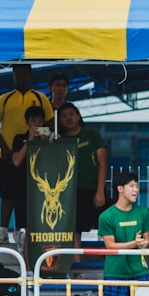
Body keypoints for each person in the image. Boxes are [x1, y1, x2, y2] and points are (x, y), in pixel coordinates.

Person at [0, 64, 53, 245]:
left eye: (24, 73)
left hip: (36, 156)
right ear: (13, 75)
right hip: (8, 155)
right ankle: (3, 231)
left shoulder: (40, 98)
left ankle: (29, 231)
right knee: (7, 194)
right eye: (18, 73)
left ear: (30, 74)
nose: (21, 76)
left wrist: (42, 139)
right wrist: (5, 148)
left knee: (32, 195)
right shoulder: (5, 98)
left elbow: (50, 124)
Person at [58, 103, 108, 249]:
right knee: (75, 231)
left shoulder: (92, 134)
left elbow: (102, 163)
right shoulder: (59, 141)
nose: (68, 118)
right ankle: (77, 264)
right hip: (73, 193)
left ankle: (110, 260)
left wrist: (100, 191)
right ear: (59, 121)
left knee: (108, 227)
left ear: (78, 116)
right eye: (64, 116)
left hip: (94, 189)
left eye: (71, 114)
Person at [10, 105, 52, 258]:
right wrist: (29, 141)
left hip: (45, 189)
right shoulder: (19, 139)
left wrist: (46, 141)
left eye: (40, 121)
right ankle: (27, 265)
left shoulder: (51, 138)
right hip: (25, 187)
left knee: (46, 226)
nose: (37, 124)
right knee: (29, 228)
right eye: (33, 120)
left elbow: (56, 159)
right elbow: (16, 161)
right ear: (27, 122)